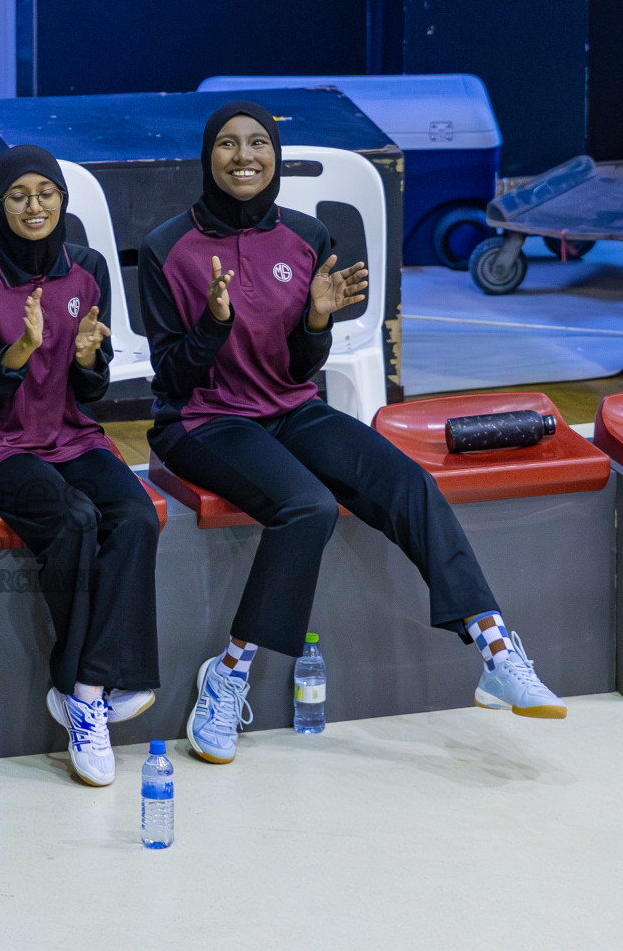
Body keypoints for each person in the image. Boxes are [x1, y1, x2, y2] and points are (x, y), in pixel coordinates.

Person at [138, 102, 567, 766]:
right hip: (203, 418)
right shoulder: (169, 246)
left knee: (407, 481)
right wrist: (214, 324)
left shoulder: (307, 237)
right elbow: (168, 376)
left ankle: (495, 647)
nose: (244, 155)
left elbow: (301, 367)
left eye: (258, 143)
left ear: (275, 157)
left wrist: (316, 320)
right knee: (304, 507)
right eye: (228, 144)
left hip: (286, 403)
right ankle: (227, 674)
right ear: (208, 157)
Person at [0, 145, 161, 787]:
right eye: (19, 195)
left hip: (72, 435)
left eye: (46, 192)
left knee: (134, 514)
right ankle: (90, 700)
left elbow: (91, 391)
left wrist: (92, 359)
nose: (34, 206)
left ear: (62, 199)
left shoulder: (88, 270)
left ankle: (83, 688)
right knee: (73, 518)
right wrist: (19, 352)